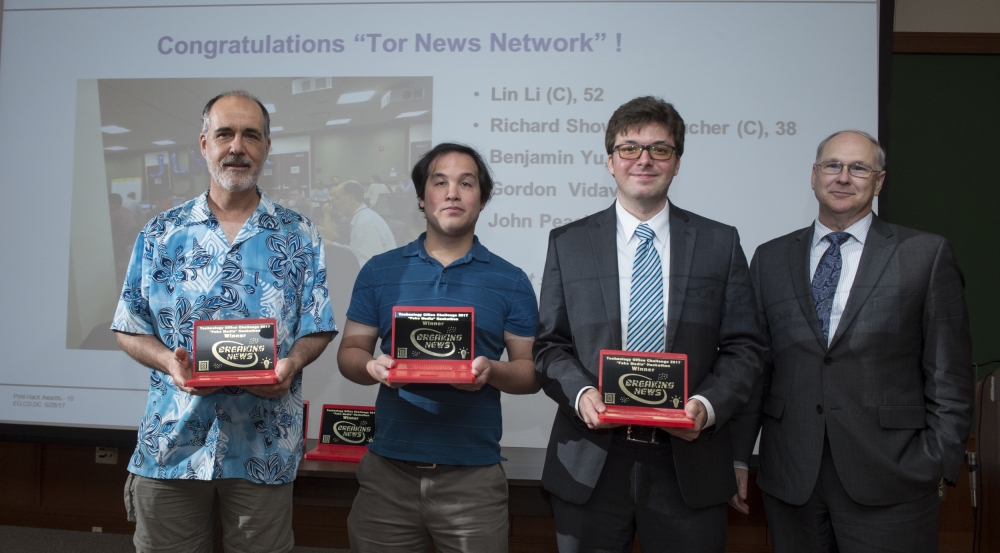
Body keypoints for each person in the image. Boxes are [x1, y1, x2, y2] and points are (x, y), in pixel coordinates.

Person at [534, 96, 765, 553]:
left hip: (688, 464)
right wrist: (582, 394)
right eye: (629, 148)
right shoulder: (569, 242)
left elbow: (746, 347)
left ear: (677, 162)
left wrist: (706, 404)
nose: (644, 160)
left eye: (659, 149)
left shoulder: (720, 242)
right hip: (591, 461)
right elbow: (549, 347)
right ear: (609, 161)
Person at [111, 90, 336, 553]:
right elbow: (128, 325)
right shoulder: (160, 232)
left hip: (265, 447)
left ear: (267, 147)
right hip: (172, 446)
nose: (238, 146)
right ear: (204, 144)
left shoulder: (300, 234)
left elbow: (318, 325)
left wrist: (291, 363)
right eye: (225, 134)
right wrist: (166, 362)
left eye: (251, 135)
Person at [748, 130, 973, 552]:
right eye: (833, 166)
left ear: (879, 181)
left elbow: (949, 372)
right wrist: (740, 457)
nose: (843, 177)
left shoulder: (925, 254)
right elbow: (757, 368)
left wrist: (938, 461)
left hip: (893, 477)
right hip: (792, 476)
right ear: (814, 176)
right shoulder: (770, 258)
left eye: (859, 168)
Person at [337, 143, 539, 553]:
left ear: (481, 199)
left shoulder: (511, 280)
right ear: (421, 197)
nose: (452, 193)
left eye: (466, 183)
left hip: (474, 481)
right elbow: (350, 353)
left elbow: (530, 371)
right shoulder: (379, 270)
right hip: (387, 476)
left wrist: (491, 373)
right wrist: (374, 367)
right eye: (440, 182)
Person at [332, 180, 396, 266]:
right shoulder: (363, 216)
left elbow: (368, 266)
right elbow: (356, 251)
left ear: (350, 199)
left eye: (337, 198)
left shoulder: (364, 223)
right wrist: (332, 244)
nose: (333, 201)